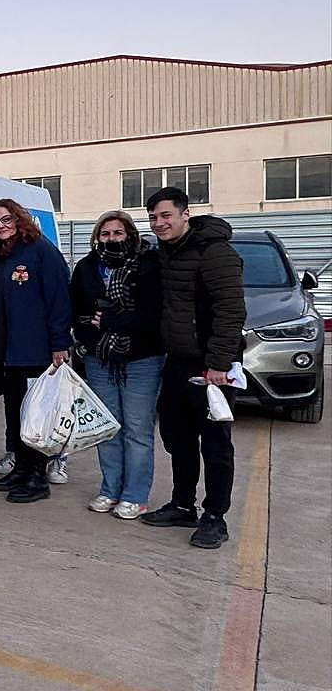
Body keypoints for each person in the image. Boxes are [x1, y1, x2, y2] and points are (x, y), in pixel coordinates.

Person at [141, 187, 245, 549]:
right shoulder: (166, 253)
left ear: (186, 214)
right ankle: (183, 504)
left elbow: (231, 312)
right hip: (177, 361)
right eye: (153, 217)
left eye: (166, 215)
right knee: (177, 438)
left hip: (211, 367)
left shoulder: (215, 253)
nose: (159, 223)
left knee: (216, 444)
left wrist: (217, 364)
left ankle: (215, 516)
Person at [0, 199, 72, 503]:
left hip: (34, 350)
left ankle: (37, 477)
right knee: (15, 413)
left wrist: (59, 343)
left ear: (19, 220)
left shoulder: (40, 251)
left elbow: (58, 299)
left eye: (6, 220)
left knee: (36, 417)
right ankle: (21, 468)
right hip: (6, 351)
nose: (1, 226)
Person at [71, 210, 164, 521]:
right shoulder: (86, 268)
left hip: (141, 359)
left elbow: (154, 315)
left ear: (130, 235)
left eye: (117, 233)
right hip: (99, 359)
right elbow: (77, 310)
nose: (111, 238)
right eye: (105, 233)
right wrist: (88, 335)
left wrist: (114, 321)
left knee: (137, 430)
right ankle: (111, 489)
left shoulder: (148, 265)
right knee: (108, 429)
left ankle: (135, 496)